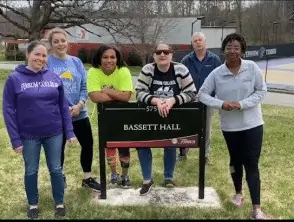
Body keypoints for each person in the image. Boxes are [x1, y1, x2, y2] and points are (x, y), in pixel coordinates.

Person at [198, 33, 269, 220]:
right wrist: (221, 104)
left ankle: (257, 208)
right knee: (235, 161)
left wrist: (241, 104)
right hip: (230, 127)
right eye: (229, 48)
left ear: (242, 50)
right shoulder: (217, 73)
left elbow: (262, 90)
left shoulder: (252, 68)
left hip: (253, 124)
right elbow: (202, 94)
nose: (232, 51)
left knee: (252, 163)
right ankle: (238, 194)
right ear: (224, 51)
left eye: (236, 48)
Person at [2, 40, 75, 219]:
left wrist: (70, 132)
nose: (40, 58)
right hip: (28, 135)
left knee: (56, 169)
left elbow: (63, 107)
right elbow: (8, 110)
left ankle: (59, 202)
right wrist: (15, 139)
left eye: (44, 56)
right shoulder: (14, 79)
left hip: (54, 133)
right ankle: (33, 204)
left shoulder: (53, 77)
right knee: (31, 170)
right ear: (28, 54)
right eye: (37, 54)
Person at [135, 43, 197, 196]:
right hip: (149, 113)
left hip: (173, 113)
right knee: (143, 145)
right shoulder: (148, 69)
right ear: (154, 55)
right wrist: (157, 101)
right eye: (158, 52)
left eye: (166, 52)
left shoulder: (181, 69)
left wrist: (172, 101)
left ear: (171, 55)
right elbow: (139, 93)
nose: (162, 54)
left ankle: (168, 177)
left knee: (171, 144)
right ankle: (147, 180)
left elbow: (191, 93)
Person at [46, 27, 101, 192]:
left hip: (79, 113)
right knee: (59, 147)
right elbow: (45, 89)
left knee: (88, 144)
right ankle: (59, 177)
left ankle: (87, 178)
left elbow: (84, 86)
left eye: (63, 40)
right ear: (51, 44)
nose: (60, 44)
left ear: (67, 42)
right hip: (57, 116)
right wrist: (62, 109)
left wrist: (79, 105)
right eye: (56, 41)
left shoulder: (76, 62)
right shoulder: (47, 63)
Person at [87, 44, 133, 188]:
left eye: (112, 57)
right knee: (109, 147)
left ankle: (125, 175)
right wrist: (118, 95)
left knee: (124, 147)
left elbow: (126, 97)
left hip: (123, 116)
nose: (109, 60)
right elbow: (94, 96)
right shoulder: (93, 71)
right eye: (105, 57)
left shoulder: (123, 71)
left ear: (117, 58)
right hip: (104, 117)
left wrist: (107, 91)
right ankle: (113, 173)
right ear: (99, 59)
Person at [179, 32, 222, 164]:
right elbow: (180, 80)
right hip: (189, 100)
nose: (198, 42)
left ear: (205, 42)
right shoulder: (186, 60)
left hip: (207, 100)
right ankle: (182, 154)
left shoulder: (214, 60)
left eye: (200, 40)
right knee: (185, 127)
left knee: (206, 128)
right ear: (192, 44)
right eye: (195, 40)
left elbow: (219, 80)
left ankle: (205, 155)